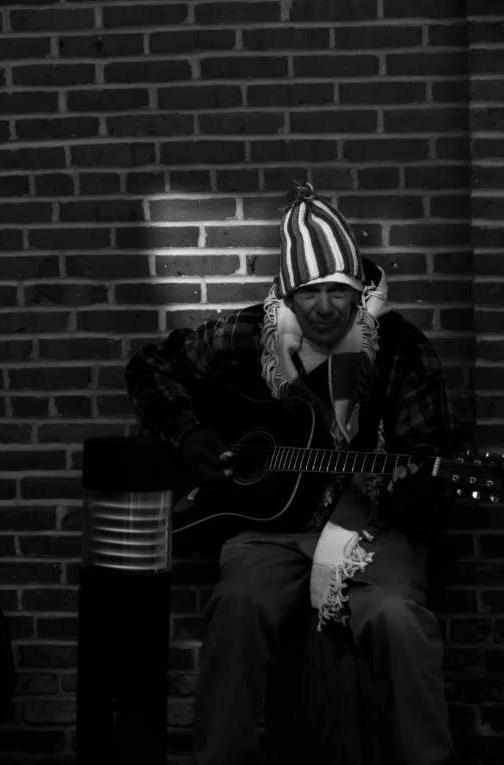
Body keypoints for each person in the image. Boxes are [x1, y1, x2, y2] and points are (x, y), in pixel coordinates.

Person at [125, 182, 463, 765]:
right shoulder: (247, 337)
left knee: (397, 619)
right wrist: (190, 434)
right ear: (286, 294)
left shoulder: (401, 349)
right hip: (270, 529)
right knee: (238, 609)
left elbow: (432, 460)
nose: (326, 307)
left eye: (339, 291)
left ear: (361, 291)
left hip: (374, 528)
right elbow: (151, 367)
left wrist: (415, 486)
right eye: (310, 293)